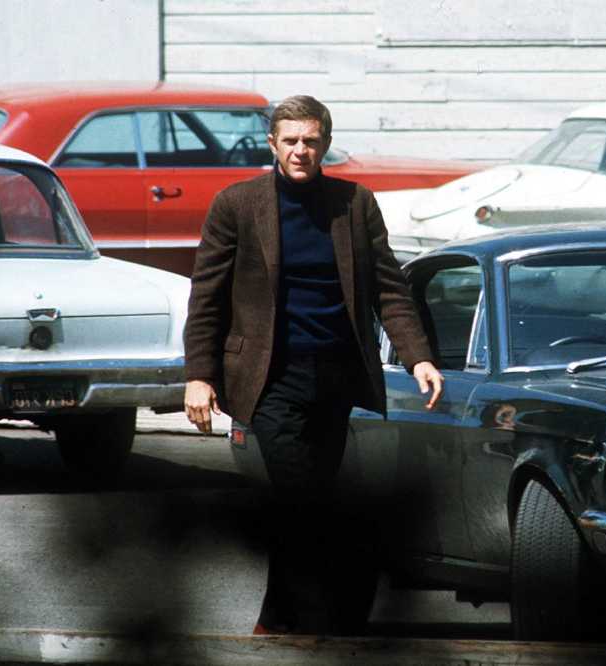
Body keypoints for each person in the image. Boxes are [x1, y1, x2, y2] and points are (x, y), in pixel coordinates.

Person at [182, 95, 443, 634]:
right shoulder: (237, 204)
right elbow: (207, 296)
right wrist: (199, 376)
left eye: (311, 140)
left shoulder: (354, 204)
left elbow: (389, 289)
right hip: (269, 377)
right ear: (272, 145)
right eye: (291, 141)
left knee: (306, 503)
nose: (301, 150)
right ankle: (324, 621)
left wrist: (418, 357)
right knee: (303, 500)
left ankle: (275, 621)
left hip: (336, 376)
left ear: (325, 143)